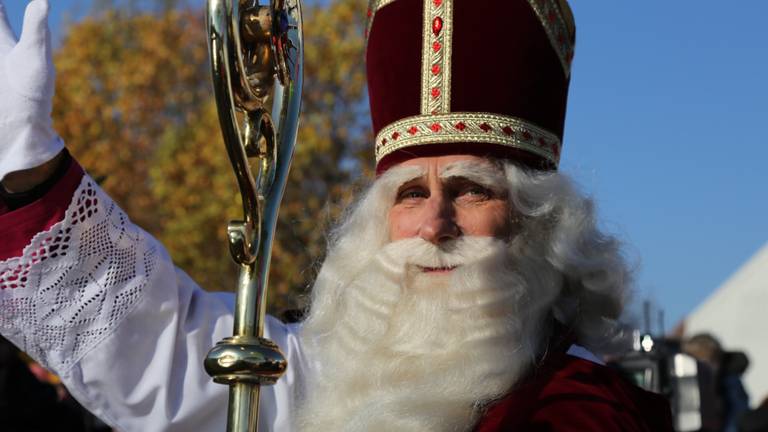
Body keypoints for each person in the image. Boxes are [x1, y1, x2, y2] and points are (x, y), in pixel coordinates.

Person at [0, 0, 674, 431]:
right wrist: (25, 166)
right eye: (411, 194)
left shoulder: (582, 409)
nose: (434, 224)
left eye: (470, 189)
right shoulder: (346, 371)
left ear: (537, 229)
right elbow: (168, 358)